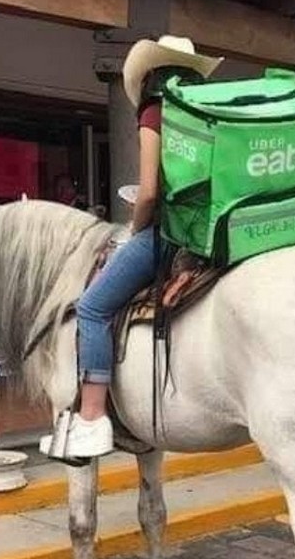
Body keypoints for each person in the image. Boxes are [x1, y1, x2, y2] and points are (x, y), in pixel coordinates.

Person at [55, 36, 223, 461]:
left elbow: (148, 192)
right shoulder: (211, 113)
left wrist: (136, 228)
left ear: (150, 75)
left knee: (92, 308)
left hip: (170, 235)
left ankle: (92, 416)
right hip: (215, 235)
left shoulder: (155, 110)